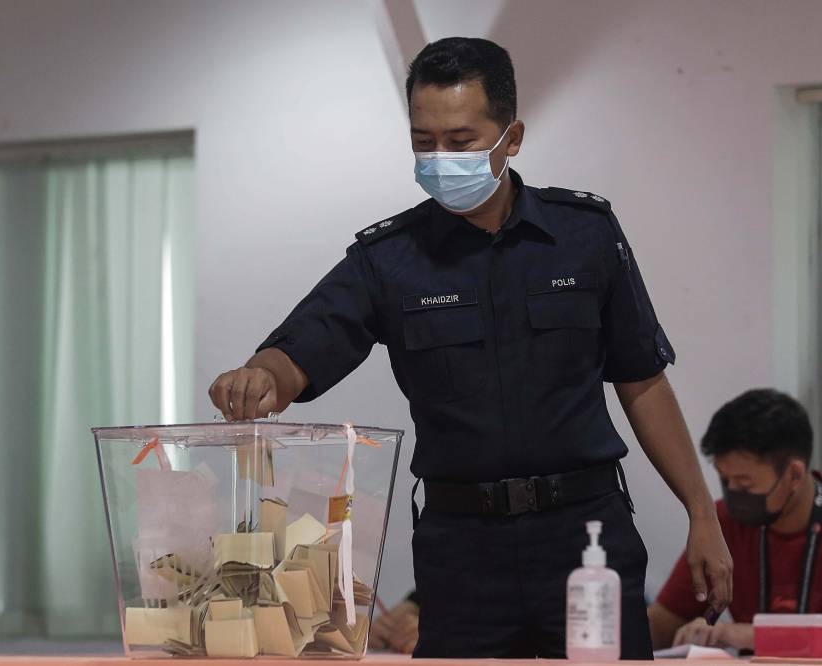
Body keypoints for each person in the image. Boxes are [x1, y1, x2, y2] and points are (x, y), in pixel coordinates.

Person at [208, 36, 732, 658]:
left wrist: (702, 512)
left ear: (511, 138)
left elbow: (642, 381)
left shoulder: (583, 235)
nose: (439, 159)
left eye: (460, 142)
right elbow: (300, 350)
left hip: (584, 532)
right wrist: (259, 376)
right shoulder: (390, 260)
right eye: (422, 142)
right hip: (462, 547)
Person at [649, 389, 819, 652]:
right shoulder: (724, 522)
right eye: (725, 480)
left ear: (794, 475)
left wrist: (745, 635)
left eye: (744, 482)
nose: (733, 493)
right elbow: (663, 623)